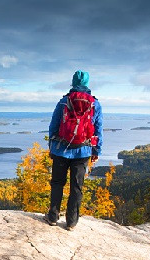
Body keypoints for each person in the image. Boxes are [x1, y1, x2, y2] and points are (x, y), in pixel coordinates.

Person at [44, 70, 103, 230]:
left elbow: (53, 126)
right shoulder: (95, 104)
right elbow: (98, 130)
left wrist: (52, 147)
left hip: (61, 150)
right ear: (87, 84)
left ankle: (53, 217)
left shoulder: (63, 102)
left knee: (57, 183)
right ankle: (71, 222)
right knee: (76, 187)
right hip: (83, 151)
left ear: (73, 82)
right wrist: (96, 151)